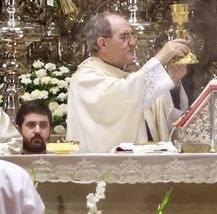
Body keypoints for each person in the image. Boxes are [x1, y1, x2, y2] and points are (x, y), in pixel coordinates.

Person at [66, 13, 192, 153]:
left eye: (133, 35)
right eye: (125, 37)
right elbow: (124, 98)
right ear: (102, 43)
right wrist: (160, 57)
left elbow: (142, 99)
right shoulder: (85, 78)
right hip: (106, 171)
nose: (133, 42)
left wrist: (173, 79)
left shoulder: (123, 77)